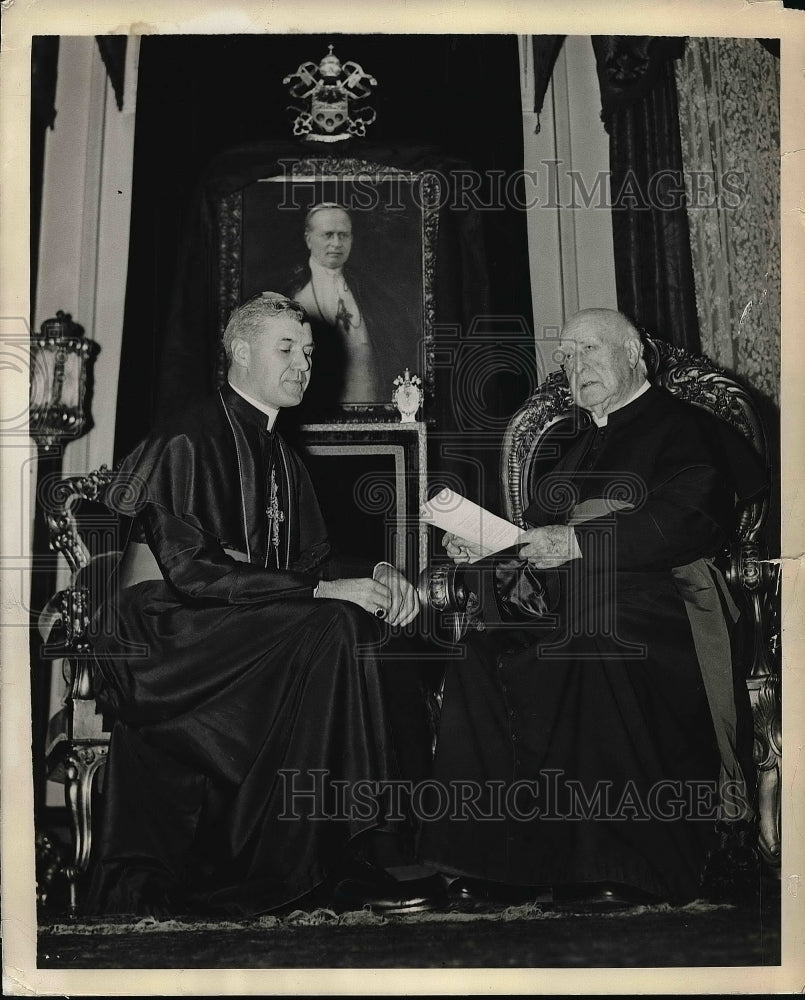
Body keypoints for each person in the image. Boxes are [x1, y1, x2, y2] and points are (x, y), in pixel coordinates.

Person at [87, 292, 443, 917]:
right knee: (331, 622)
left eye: (307, 352)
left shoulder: (280, 451)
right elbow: (192, 573)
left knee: (361, 621)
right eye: (287, 349)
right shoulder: (187, 436)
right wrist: (325, 591)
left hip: (231, 620)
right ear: (241, 352)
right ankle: (335, 859)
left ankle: (350, 848)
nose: (303, 364)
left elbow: (306, 564)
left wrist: (380, 575)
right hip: (165, 633)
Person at [418, 308, 767, 906]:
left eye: (589, 350)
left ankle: (623, 862)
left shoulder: (687, 428)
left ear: (635, 354)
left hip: (664, 598)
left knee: (598, 639)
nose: (575, 367)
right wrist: (488, 549)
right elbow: (538, 550)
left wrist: (579, 542)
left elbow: (689, 520)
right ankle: (497, 862)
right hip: (573, 599)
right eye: (566, 357)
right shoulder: (571, 448)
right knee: (479, 651)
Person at [286, 203, 416, 413]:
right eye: (328, 235)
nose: (336, 243)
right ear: (308, 238)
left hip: (370, 409)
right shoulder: (293, 293)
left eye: (343, 235)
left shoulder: (369, 291)